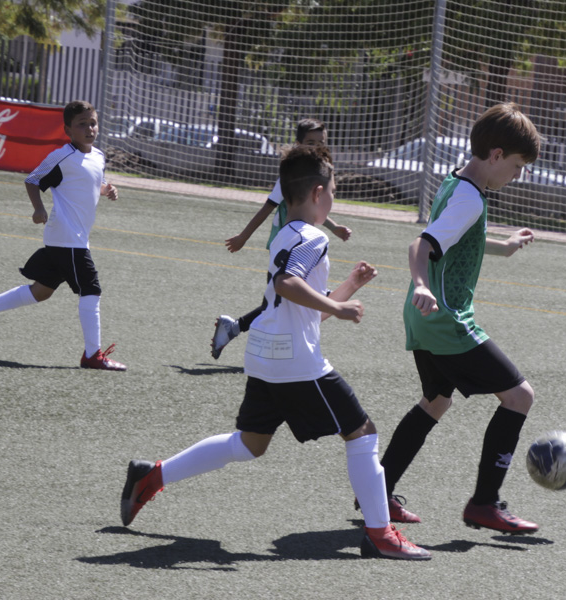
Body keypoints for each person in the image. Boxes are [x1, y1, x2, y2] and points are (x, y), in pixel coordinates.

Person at [119, 144, 430, 561]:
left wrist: (348, 288)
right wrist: (338, 306)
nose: (334, 197)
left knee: (249, 444)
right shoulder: (314, 237)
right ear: (318, 193)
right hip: (296, 363)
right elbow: (287, 283)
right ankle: (380, 534)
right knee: (363, 433)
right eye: (334, 189)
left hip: (265, 353)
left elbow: (299, 308)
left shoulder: (285, 232)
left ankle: (152, 475)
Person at [374, 103, 541, 534]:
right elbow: (422, 244)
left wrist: (504, 246)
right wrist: (423, 283)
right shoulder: (469, 198)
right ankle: (485, 504)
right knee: (520, 397)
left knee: (436, 401)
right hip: (445, 318)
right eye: (519, 165)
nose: (519, 176)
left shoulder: (457, 182)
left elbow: (455, 236)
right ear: (497, 154)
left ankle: (378, 491)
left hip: (421, 318)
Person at [0, 100, 126, 371]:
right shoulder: (62, 156)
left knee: (41, 292)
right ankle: (92, 355)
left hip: (74, 238)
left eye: (93, 122)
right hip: (66, 236)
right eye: (81, 124)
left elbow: (89, 183)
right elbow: (33, 179)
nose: (89, 128)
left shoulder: (98, 155)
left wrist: (107, 189)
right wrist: (38, 208)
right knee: (91, 289)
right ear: (67, 130)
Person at [212, 118, 352, 359]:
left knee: (282, 300)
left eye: (321, 143)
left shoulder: (320, 174)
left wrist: (334, 226)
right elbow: (267, 209)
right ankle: (244, 332)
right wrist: (244, 236)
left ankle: (238, 329)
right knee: (284, 297)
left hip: (301, 241)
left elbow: (314, 209)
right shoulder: (292, 178)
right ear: (298, 144)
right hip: (288, 242)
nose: (316, 148)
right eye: (310, 143)